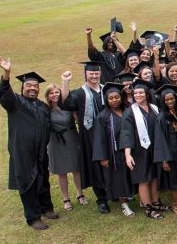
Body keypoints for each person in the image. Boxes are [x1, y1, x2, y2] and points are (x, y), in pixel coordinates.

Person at [0, 57, 58, 230]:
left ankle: (46, 208)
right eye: (28, 86)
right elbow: (4, 92)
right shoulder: (15, 103)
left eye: (35, 86)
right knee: (27, 182)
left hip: (40, 150)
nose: (32, 88)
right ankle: (33, 217)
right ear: (22, 87)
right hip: (22, 151)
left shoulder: (43, 106)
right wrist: (7, 73)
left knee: (42, 178)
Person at [59, 61, 109, 214]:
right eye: (91, 73)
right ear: (85, 74)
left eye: (96, 73)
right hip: (90, 136)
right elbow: (65, 103)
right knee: (95, 166)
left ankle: (115, 192)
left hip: (108, 133)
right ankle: (101, 199)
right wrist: (65, 82)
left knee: (111, 163)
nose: (94, 76)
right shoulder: (80, 93)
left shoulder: (105, 90)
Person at [120, 80, 166, 219]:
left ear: (146, 94)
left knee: (154, 176)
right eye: (136, 93)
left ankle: (155, 202)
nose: (138, 95)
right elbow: (126, 133)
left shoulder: (154, 108)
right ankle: (148, 207)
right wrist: (128, 154)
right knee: (144, 178)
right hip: (139, 151)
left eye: (141, 92)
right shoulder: (129, 112)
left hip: (155, 148)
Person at [91, 82, 136, 218]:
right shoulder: (103, 117)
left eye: (116, 97)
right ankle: (123, 204)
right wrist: (103, 158)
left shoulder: (128, 111)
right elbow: (99, 139)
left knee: (128, 176)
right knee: (117, 179)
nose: (114, 100)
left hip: (130, 150)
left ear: (121, 97)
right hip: (114, 153)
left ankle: (128, 195)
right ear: (107, 100)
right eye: (111, 98)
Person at [43, 81, 84, 212]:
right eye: (51, 93)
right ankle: (66, 198)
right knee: (61, 172)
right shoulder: (45, 110)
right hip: (55, 142)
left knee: (76, 168)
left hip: (71, 138)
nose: (55, 95)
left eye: (57, 92)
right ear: (47, 96)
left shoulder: (69, 106)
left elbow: (78, 121)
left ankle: (80, 193)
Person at [151, 84, 177, 216]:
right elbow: (160, 139)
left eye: (172, 99)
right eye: (166, 100)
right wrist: (164, 159)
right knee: (175, 178)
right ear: (162, 101)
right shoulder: (162, 118)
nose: (170, 101)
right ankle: (176, 204)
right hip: (171, 152)